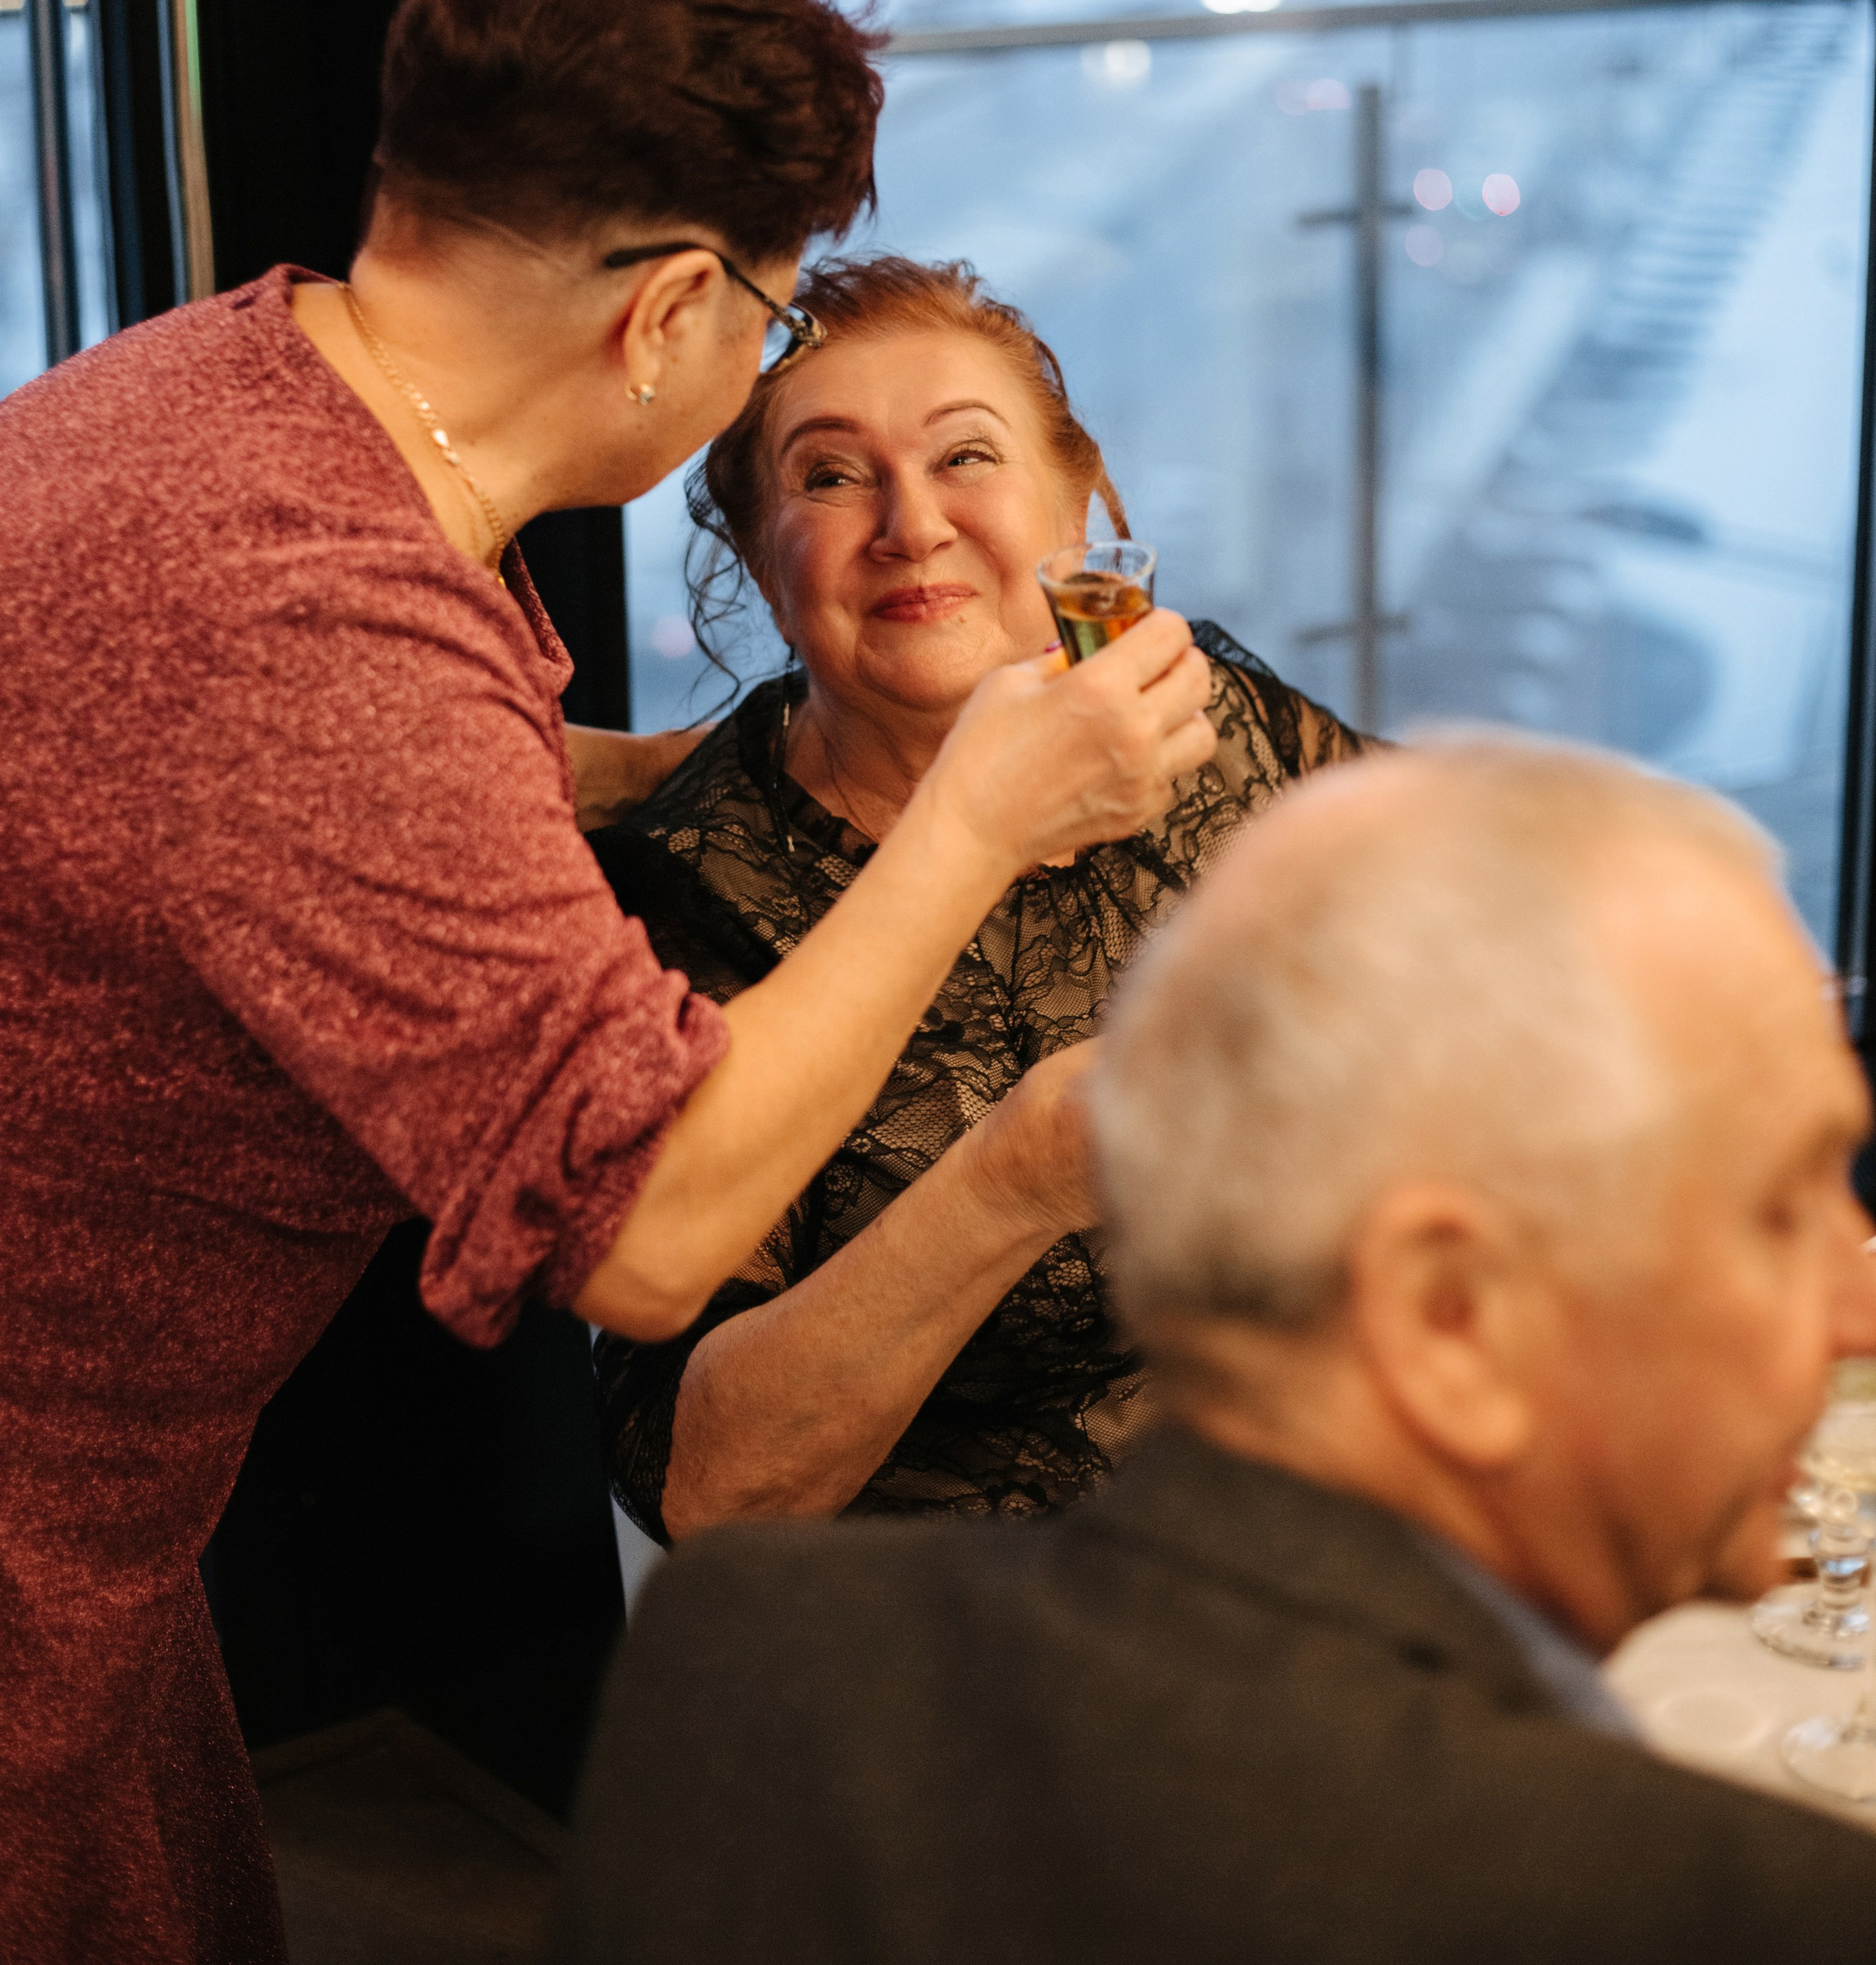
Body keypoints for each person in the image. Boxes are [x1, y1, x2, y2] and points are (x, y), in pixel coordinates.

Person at [0, 0, 1216, 1965]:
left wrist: (659, 773)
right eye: (769, 334)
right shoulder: (315, 620)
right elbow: (648, 1233)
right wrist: (970, 829)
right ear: (670, 312)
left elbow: (229, 799)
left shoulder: (237, 396)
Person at [559, 733, 1876, 1965]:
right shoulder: (1746, 1907)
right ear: (1448, 1320)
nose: (1860, 1310)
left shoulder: (742, 1657)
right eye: (1782, 1205)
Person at [591, 254, 1369, 1537]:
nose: (911, 523)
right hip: (954, 1642)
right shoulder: (694, 889)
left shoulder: (1202, 714)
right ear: (755, 554)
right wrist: (1014, 1183)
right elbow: (704, 1486)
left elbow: (1483, 905)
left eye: (966, 457)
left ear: (1078, 509)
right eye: (829, 475)